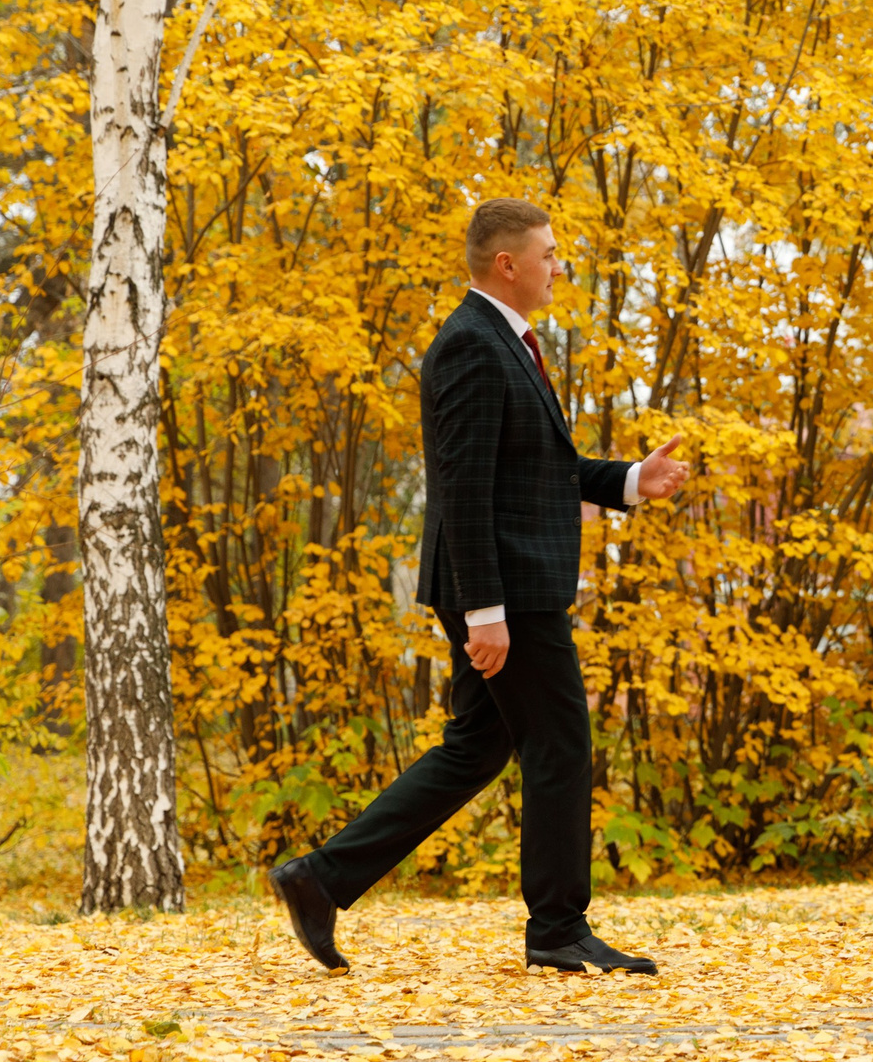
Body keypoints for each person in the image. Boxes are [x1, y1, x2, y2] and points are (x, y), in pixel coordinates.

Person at [268, 198, 690, 975]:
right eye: (550, 253)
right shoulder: (471, 345)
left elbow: (537, 469)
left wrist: (632, 478)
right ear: (508, 264)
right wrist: (485, 612)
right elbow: (463, 489)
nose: (558, 265)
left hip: (504, 582)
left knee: (475, 747)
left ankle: (321, 878)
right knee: (560, 742)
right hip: (505, 588)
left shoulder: (506, 342)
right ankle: (559, 929)